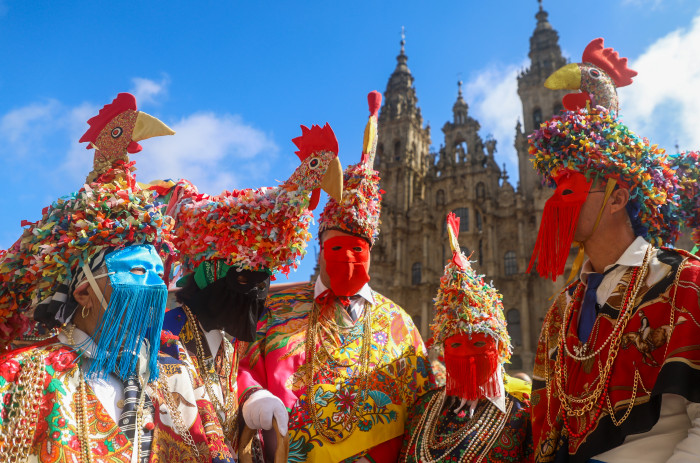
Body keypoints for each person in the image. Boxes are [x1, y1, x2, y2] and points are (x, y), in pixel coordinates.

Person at [0, 93, 235, 462]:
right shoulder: (26, 374)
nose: (156, 285)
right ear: (82, 292)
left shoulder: (175, 375)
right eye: (139, 271)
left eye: (159, 273)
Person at [527, 106, 700, 461]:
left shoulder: (686, 281)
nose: (554, 202)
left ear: (617, 199)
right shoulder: (562, 310)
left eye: (569, 189)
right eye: (554, 188)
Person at [240, 91, 435, 462]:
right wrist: (253, 395)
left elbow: (424, 411)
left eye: (356, 250)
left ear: (373, 252)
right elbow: (237, 366)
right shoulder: (274, 309)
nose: (346, 258)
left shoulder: (403, 327)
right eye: (335, 248)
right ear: (319, 246)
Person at [152, 122, 343, 457]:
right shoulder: (165, 335)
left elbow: (227, 382)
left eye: (263, 283)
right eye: (243, 280)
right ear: (210, 274)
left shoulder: (226, 343)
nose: (255, 296)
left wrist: (253, 396)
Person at [399, 212, 533, 462]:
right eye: (456, 344)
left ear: (500, 344)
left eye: (480, 342)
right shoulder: (422, 408)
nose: (468, 354)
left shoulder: (525, 410)